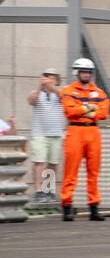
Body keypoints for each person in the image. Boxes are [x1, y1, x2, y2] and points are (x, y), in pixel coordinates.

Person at [59, 57, 109, 221]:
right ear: (77, 73)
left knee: (93, 172)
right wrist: (91, 108)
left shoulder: (100, 92)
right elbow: (69, 111)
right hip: (75, 130)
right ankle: (67, 206)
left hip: (93, 132)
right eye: (83, 71)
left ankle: (94, 208)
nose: (86, 74)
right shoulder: (67, 90)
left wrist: (82, 108)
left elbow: (103, 113)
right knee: (70, 171)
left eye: (88, 72)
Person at [26, 69, 64, 204]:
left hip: (56, 134)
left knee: (53, 163)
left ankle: (48, 190)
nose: (49, 80)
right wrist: (40, 87)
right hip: (39, 134)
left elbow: (65, 98)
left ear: (57, 80)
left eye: (52, 78)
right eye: (46, 77)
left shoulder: (61, 93)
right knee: (39, 162)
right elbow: (31, 100)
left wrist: (52, 88)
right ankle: (38, 191)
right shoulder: (36, 93)